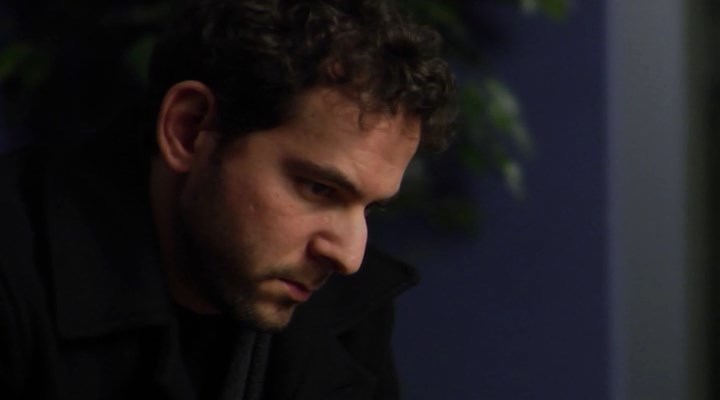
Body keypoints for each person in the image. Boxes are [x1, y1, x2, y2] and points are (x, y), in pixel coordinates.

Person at [0, 0, 456, 399]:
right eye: (318, 188)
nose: (349, 257)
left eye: (370, 208)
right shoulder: (14, 269)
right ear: (188, 129)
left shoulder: (348, 315)